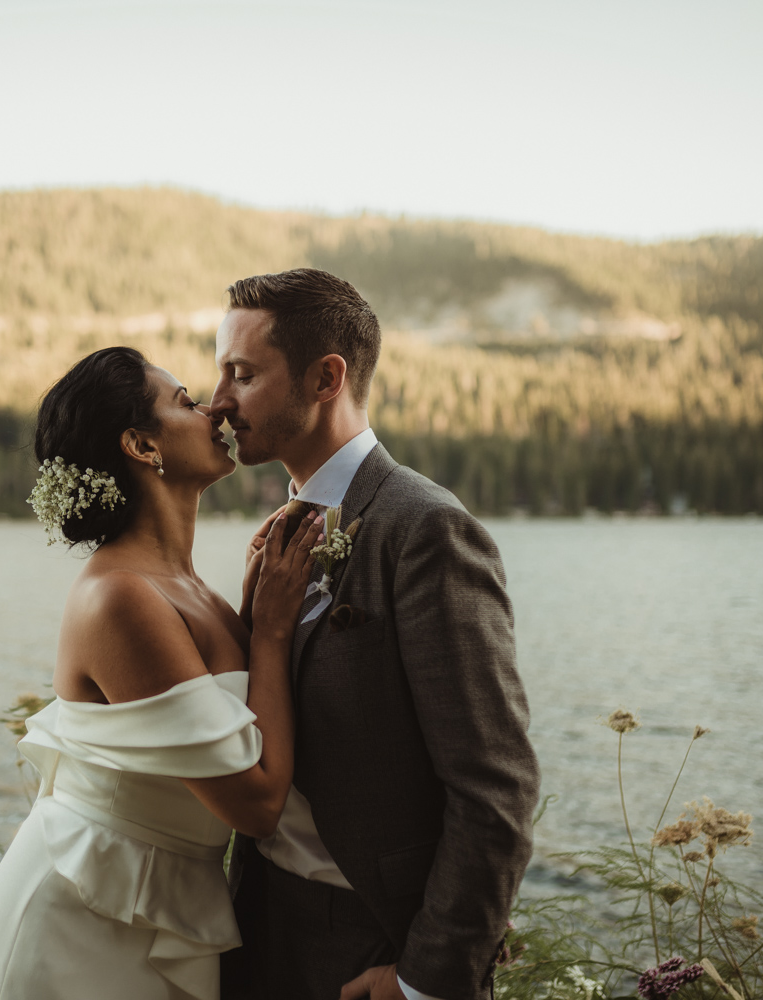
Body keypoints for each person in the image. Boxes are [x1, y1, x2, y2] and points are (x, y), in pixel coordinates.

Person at [210, 269, 540, 1000]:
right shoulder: (278, 536)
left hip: (371, 940)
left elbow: (496, 788)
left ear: (326, 377)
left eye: (242, 373)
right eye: (219, 374)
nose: (219, 401)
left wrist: (424, 981)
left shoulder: (425, 529)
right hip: (259, 921)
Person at [0, 346, 321, 1000]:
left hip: (152, 906)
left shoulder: (191, 590)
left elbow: (234, 718)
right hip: (82, 922)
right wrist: (266, 629)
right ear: (142, 445)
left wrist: (251, 609)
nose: (212, 410)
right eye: (184, 402)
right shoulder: (121, 599)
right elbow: (257, 803)